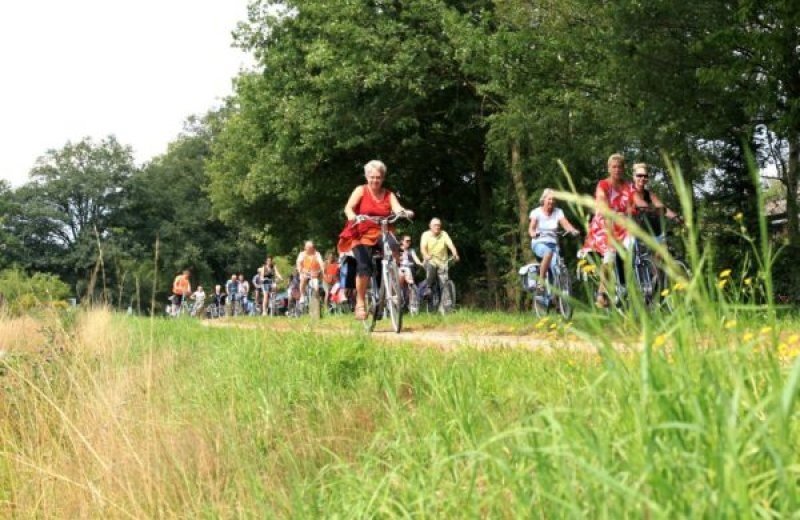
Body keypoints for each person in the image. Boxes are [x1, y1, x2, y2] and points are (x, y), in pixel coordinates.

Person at [337, 159, 414, 320]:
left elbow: (397, 207)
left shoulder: (388, 194)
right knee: (364, 267)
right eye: (372, 177)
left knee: (394, 248)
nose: (375, 180)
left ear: (383, 178)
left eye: (378, 177)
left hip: (382, 231)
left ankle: (390, 282)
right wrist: (353, 217)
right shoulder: (361, 190)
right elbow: (348, 207)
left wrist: (403, 212)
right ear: (367, 177)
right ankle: (360, 303)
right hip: (361, 233)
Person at [581, 153, 635, 307]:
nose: (617, 169)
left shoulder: (628, 186)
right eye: (614, 167)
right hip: (605, 224)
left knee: (635, 247)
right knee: (610, 255)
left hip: (624, 225)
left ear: (624, 169)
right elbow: (602, 202)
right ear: (609, 168)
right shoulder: (603, 185)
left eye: (620, 167)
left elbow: (633, 204)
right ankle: (602, 292)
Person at [529, 189, 580, 291]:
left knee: (556, 266)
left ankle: (556, 296)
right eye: (549, 199)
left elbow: (565, 224)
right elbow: (531, 228)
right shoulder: (536, 212)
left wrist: (572, 230)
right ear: (543, 200)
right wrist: (533, 233)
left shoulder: (558, 212)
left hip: (553, 244)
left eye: (553, 199)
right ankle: (541, 281)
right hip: (539, 243)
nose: (551, 201)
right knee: (548, 253)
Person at [630, 163, 681, 242]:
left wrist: (676, 218)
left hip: (651, 230)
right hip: (632, 230)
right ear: (634, 177)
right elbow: (642, 205)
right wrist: (655, 210)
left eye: (645, 176)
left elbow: (662, 208)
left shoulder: (649, 194)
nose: (642, 178)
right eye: (639, 175)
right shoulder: (630, 191)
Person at [418, 218, 459, 300]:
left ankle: (445, 307)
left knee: (444, 284)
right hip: (430, 260)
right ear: (430, 226)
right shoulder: (425, 235)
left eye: (439, 225)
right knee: (431, 266)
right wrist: (426, 255)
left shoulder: (444, 234)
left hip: (443, 262)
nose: (437, 227)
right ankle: (428, 287)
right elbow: (422, 248)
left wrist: (455, 254)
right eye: (435, 225)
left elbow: (451, 245)